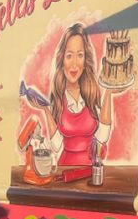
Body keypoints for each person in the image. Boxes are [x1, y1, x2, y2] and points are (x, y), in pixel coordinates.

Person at [31, 23, 115, 166]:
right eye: (69, 56)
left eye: (80, 55)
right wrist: (45, 110)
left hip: (91, 170)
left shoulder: (91, 94)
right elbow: (56, 146)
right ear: (62, 59)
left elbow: (103, 136)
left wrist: (109, 91)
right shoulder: (57, 98)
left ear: (85, 59)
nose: (75, 64)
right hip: (65, 170)